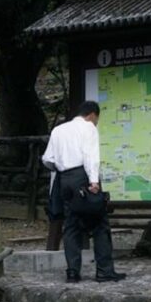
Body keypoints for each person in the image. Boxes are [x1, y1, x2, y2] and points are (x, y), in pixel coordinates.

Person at [41, 100, 125, 283]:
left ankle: (72, 272)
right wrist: (93, 181)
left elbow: (47, 159)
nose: (96, 123)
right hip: (83, 178)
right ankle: (104, 270)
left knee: (71, 225)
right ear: (92, 115)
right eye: (97, 119)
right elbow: (91, 156)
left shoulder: (58, 130)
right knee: (100, 223)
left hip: (64, 179)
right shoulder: (89, 128)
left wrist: (62, 168)